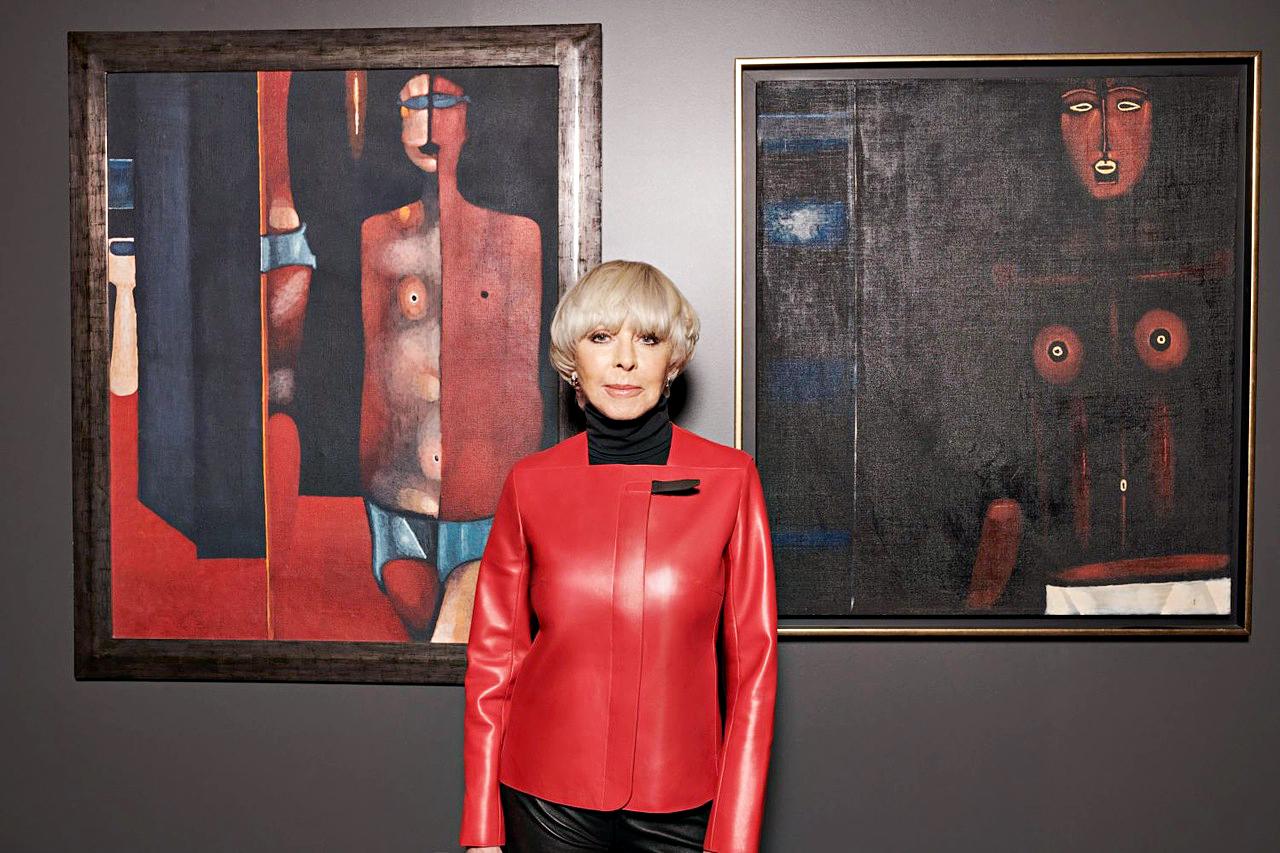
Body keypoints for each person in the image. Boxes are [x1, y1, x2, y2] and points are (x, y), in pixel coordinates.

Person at [459, 260, 779, 853]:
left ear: (672, 361)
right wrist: (482, 825)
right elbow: (492, 664)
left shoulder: (732, 481)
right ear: (572, 360)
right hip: (544, 801)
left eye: (648, 339)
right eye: (602, 337)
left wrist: (735, 836)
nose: (625, 359)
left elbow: (753, 673)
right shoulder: (530, 484)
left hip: (682, 801)